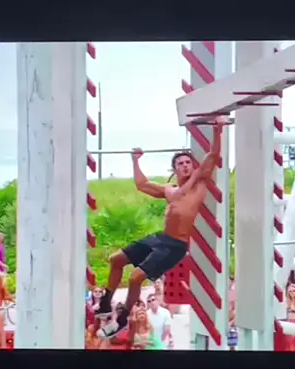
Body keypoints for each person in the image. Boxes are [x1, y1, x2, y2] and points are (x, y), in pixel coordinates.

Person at [95, 118, 226, 338]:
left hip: (175, 246)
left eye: (188, 162)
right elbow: (142, 184)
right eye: (180, 163)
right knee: (116, 259)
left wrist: (217, 129)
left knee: (135, 278)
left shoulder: (199, 183)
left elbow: (213, 155)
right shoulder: (169, 190)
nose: (185, 165)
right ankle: (106, 302)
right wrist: (135, 161)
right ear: (175, 169)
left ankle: (123, 319)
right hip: (160, 238)